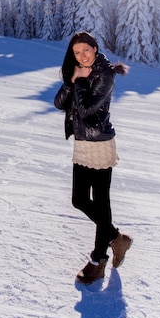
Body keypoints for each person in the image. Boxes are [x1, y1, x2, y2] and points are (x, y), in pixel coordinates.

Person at [54, 31, 132, 285]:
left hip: (99, 144)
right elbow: (58, 103)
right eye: (77, 52)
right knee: (78, 199)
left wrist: (80, 83)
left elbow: (87, 112)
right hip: (82, 145)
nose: (82, 56)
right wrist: (72, 80)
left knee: (100, 204)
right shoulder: (80, 72)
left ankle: (98, 261)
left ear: (95, 49)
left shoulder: (105, 74)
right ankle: (117, 238)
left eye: (86, 50)